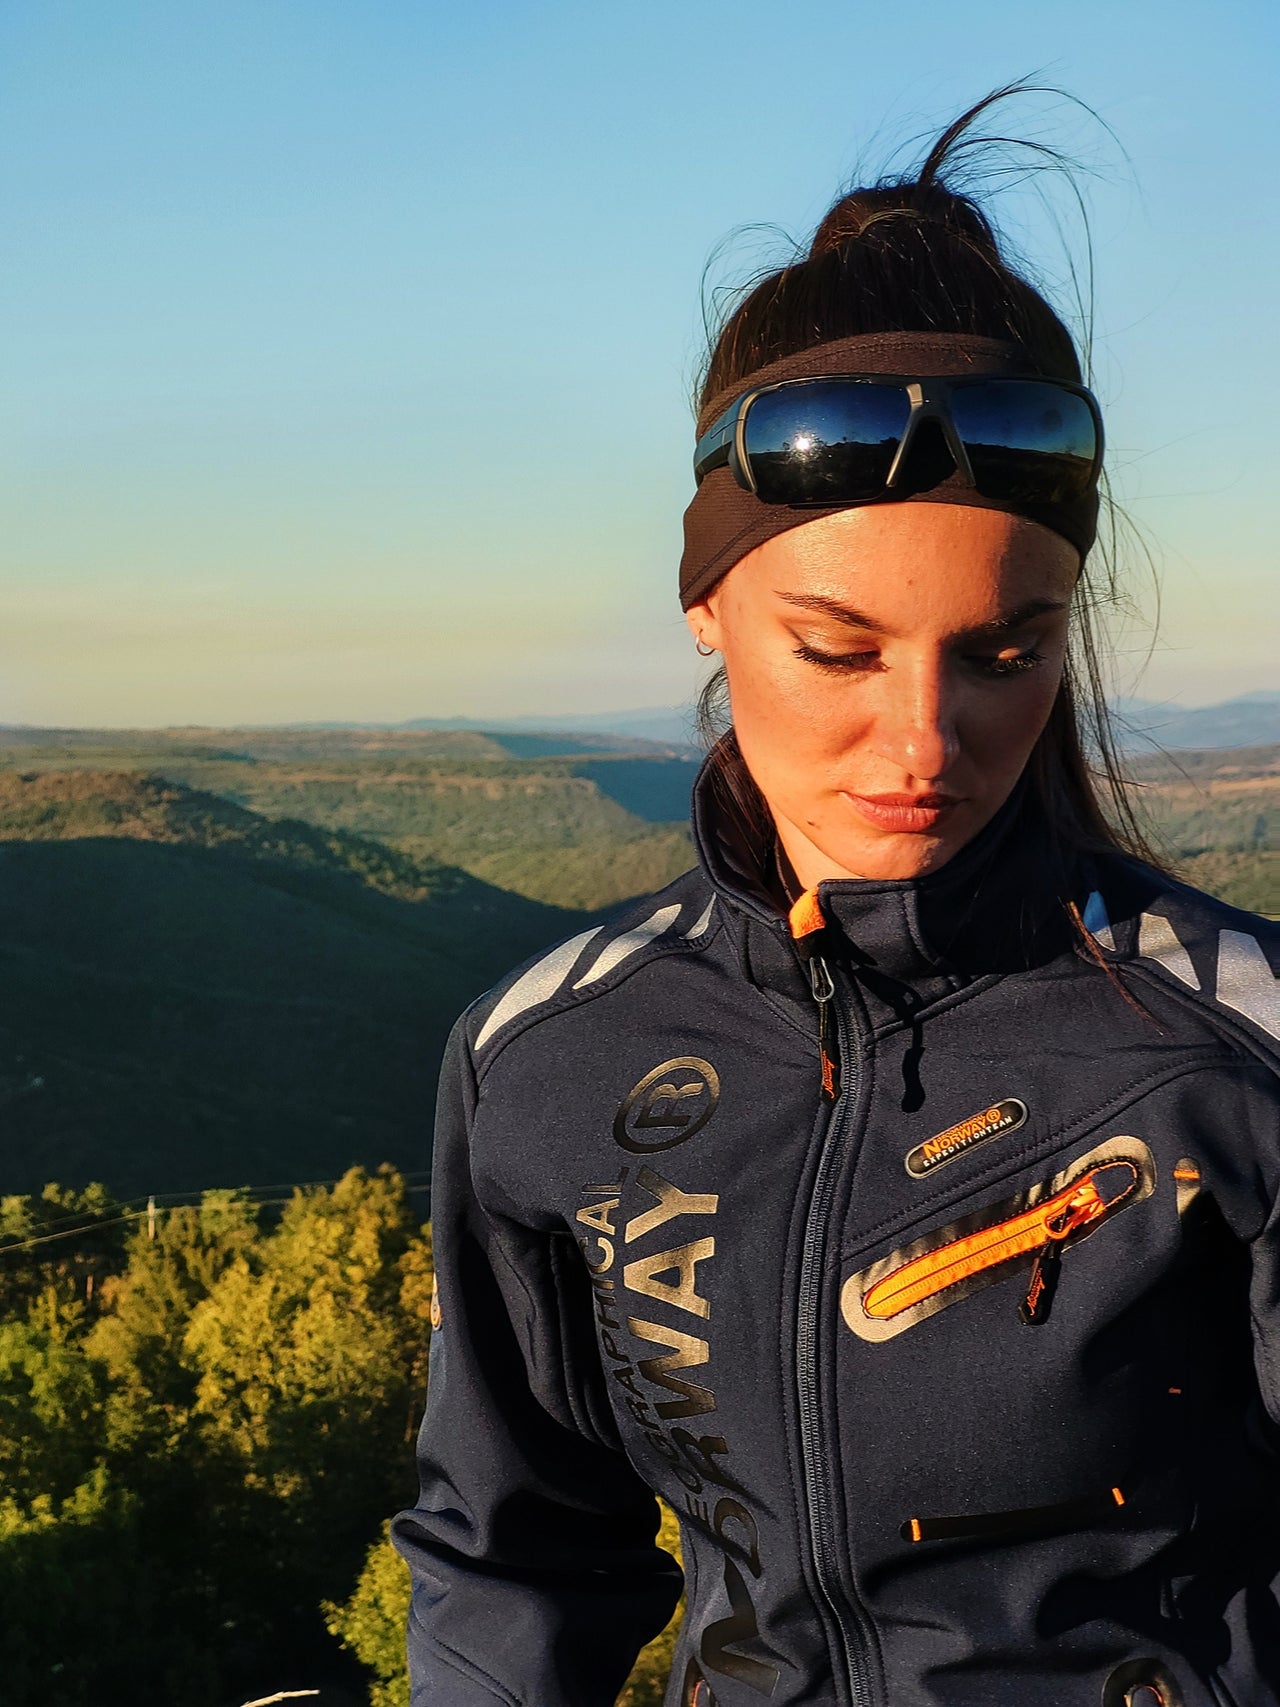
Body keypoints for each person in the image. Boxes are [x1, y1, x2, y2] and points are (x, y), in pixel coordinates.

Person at [391, 90, 1280, 1707]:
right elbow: (515, 1562)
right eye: (838, 649)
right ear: (707, 606)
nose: (926, 742)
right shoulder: (542, 1065)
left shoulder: (1235, 1054)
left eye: (1005, 652)